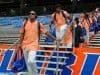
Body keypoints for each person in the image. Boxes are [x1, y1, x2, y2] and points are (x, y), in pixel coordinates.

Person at [19, 10, 57, 75]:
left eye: (32, 14)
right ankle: (31, 74)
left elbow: (46, 32)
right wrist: (20, 43)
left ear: (35, 16)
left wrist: (55, 38)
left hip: (33, 45)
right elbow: (22, 34)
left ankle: (35, 73)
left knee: (31, 61)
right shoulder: (25, 23)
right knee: (28, 63)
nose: (31, 14)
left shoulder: (38, 24)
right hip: (25, 45)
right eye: (30, 13)